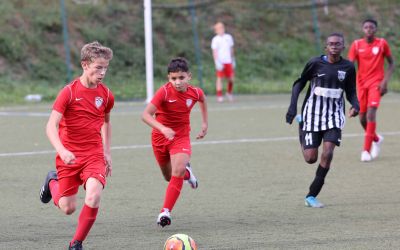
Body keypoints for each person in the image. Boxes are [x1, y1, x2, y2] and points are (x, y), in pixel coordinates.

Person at [39, 41, 114, 250]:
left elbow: (107, 123)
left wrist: (107, 152)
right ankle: (51, 181)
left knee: (94, 195)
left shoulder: (106, 95)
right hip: (69, 157)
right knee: (68, 208)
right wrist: (62, 151)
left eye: (105, 67)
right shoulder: (69, 92)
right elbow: (50, 125)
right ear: (85, 65)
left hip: (94, 155)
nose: (102, 72)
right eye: (98, 67)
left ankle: (76, 243)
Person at [286, 33, 359, 208]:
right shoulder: (315, 63)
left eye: (338, 44)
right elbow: (299, 83)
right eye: (331, 44)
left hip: (334, 117)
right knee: (310, 158)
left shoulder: (348, 67)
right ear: (326, 47)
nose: (334, 46)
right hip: (312, 116)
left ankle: (311, 196)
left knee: (328, 154)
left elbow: (351, 90)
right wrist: (293, 107)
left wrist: (356, 105)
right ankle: (301, 125)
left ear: (343, 46)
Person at [142, 57, 208, 227]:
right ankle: (188, 174)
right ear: (168, 78)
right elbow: (145, 115)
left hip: (180, 137)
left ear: (189, 76)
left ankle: (165, 212)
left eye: (181, 78)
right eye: (173, 78)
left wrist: (204, 123)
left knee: (176, 171)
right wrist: (162, 129)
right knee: (169, 176)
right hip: (159, 138)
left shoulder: (195, 92)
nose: (177, 82)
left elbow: (203, 100)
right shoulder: (163, 92)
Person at [348, 19, 395, 162]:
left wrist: (385, 82)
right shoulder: (356, 45)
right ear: (363, 29)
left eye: (371, 27)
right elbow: (349, 67)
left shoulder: (382, 43)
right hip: (361, 85)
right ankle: (376, 138)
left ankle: (366, 151)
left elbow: (392, 63)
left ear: (376, 29)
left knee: (371, 114)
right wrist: (352, 98)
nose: (369, 29)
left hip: (376, 83)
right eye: (366, 27)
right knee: (362, 118)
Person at [211, 22, 235, 102]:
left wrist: (233, 59)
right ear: (216, 30)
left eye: (222, 27)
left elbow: (231, 49)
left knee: (231, 79)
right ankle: (219, 95)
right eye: (219, 28)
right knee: (219, 78)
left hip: (228, 61)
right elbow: (214, 52)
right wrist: (217, 62)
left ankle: (229, 92)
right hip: (220, 62)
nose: (221, 29)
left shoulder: (229, 37)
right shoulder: (215, 39)